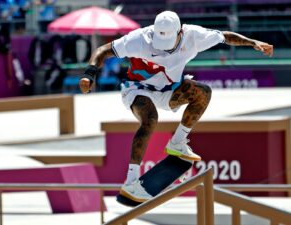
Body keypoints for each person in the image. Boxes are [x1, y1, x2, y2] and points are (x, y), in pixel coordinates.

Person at [79, 11, 273, 201]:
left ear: (180, 33)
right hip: (138, 89)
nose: (163, 49)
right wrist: (89, 74)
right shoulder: (139, 38)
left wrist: (253, 42)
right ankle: (131, 181)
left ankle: (178, 142)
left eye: (168, 45)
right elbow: (103, 50)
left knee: (203, 93)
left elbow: (225, 37)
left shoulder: (194, 35)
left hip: (170, 89)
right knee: (150, 120)